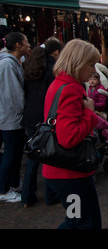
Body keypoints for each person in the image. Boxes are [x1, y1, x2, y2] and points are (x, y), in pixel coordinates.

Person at [43, 38, 102, 229]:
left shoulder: (60, 83)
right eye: (90, 64)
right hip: (69, 173)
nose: (93, 70)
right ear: (77, 63)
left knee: (80, 220)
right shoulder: (70, 89)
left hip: (65, 172)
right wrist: (90, 113)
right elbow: (69, 138)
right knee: (81, 222)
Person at [21, 39, 62, 208]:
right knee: (48, 155)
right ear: (56, 52)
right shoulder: (51, 70)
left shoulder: (31, 69)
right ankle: (50, 195)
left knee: (34, 155)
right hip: (45, 117)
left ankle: (27, 194)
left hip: (30, 116)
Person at [0, 32, 31, 203]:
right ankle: (4, 189)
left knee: (12, 153)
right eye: (26, 42)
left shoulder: (12, 63)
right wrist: (22, 112)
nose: (28, 45)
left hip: (9, 116)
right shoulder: (7, 65)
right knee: (10, 153)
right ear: (18, 45)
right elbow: (14, 94)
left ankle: (11, 183)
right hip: (10, 118)